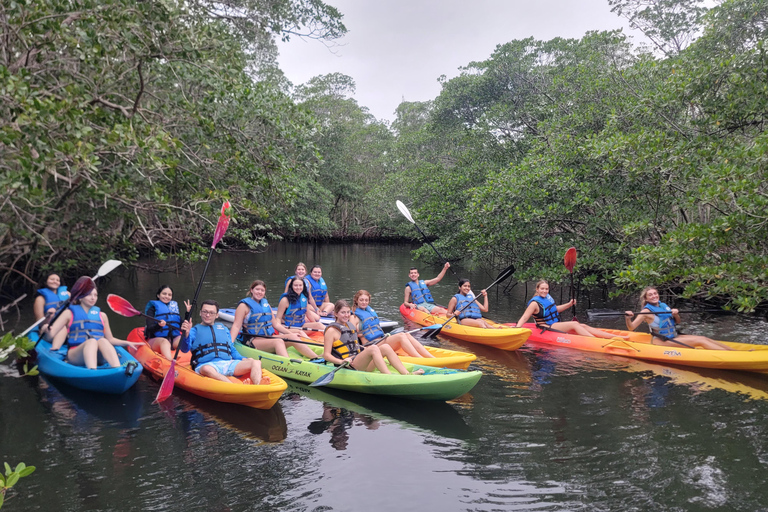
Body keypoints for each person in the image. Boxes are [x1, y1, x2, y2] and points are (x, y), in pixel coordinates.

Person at [46, 286, 142, 369]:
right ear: (80, 298)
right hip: (76, 354)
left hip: (98, 355)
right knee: (91, 341)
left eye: (95, 295)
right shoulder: (69, 313)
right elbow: (51, 335)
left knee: (103, 341)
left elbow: (110, 339)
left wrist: (127, 342)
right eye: (89, 295)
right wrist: (48, 327)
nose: (93, 298)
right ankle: (92, 371)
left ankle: (117, 369)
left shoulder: (102, 315)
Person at [179, 300, 269, 384]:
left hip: (228, 363)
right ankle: (233, 386)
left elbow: (231, 349)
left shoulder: (224, 329)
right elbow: (184, 349)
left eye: (211, 313)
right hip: (207, 365)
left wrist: (243, 358)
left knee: (256, 362)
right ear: (200, 313)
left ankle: (257, 385)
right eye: (205, 312)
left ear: (217, 315)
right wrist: (186, 334)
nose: (207, 315)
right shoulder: (194, 330)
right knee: (206, 369)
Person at [322, 300, 423, 375]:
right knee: (374, 348)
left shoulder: (349, 325)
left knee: (386, 347)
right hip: (348, 366)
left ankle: (406, 374)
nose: (346, 315)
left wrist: (364, 349)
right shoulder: (331, 331)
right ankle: (388, 376)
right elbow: (326, 355)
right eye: (343, 312)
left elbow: (354, 346)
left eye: (348, 312)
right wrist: (341, 361)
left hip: (359, 361)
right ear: (335, 314)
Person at [229, 279, 319, 359]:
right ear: (251, 290)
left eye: (262, 290)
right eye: (257, 289)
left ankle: (316, 358)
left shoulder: (266, 305)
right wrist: (230, 344)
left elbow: (275, 324)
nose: (259, 292)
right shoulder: (243, 306)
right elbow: (236, 326)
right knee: (278, 342)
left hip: (269, 337)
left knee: (293, 336)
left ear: (264, 292)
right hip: (254, 340)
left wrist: (291, 334)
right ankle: (288, 364)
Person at [623, 287, 733, 350]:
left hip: (673, 336)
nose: (654, 296)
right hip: (661, 340)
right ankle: (731, 356)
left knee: (704, 338)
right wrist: (628, 318)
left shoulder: (663, 306)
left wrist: (676, 314)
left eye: (655, 293)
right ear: (646, 298)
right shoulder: (645, 312)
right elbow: (631, 328)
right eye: (650, 295)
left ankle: (735, 352)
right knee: (700, 341)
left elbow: (677, 322)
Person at [515, 280, 626, 339]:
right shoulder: (534, 303)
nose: (544, 291)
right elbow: (525, 317)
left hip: (554, 324)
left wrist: (569, 304)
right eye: (542, 289)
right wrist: (517, 329)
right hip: (546, 327)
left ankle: (615, 337)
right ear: (537, 289)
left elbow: (554, 310)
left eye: (546, 289)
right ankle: (596, 341)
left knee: (582, 325)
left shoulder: (547, 299)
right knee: (574, 324)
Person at [352, 289, 435, 358]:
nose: (364, 302)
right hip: (370, 346)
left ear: (369, 301)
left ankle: (430, 357)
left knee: (406, 334)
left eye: (366, 300)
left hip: (381, 341)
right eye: (361, 300)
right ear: (356, 300)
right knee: (401, 336)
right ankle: (420, 359)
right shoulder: (354, 317)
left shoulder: (369, 312)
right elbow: (351, 336)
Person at [144, 285, 186, 360]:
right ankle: (170, 363)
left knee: (184, 339)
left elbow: (183, 325)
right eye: (164, 294)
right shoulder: (152, 309)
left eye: (169, 295)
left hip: (173, 340)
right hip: (157, 340)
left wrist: (188, 313)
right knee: (165, 342)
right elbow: (150, 328)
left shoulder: (173, 309)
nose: (167, 296)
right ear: (158, 295)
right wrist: (158, 325)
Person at [35, 273, 71, 347]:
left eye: (57, 280)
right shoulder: (40, 299)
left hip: (67, 329)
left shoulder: (67, 295)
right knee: (62, 327)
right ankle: (55, 348)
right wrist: (48, 317)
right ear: (45, 282)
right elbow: (40, 323)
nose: (55, 281)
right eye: (52, 279)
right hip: (49, 329)